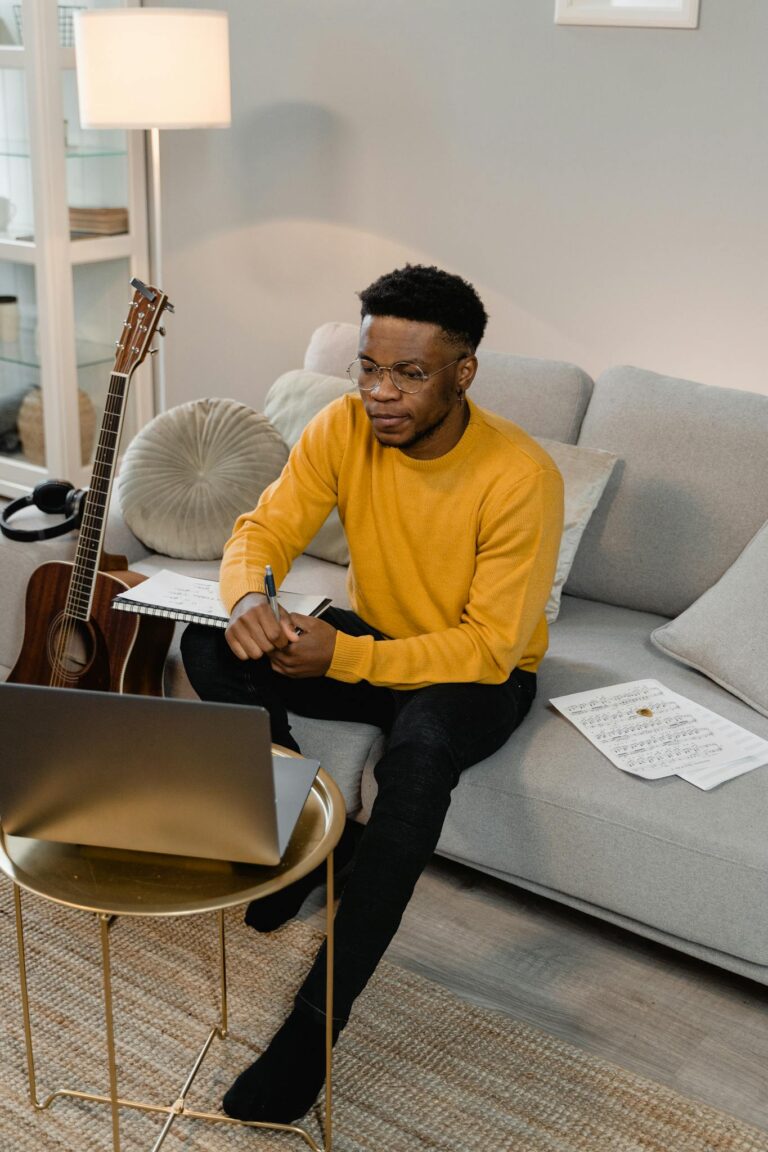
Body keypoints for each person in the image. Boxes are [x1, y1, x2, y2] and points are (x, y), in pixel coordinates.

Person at [181, 263, 564, 1124]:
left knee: (421, 755)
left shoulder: (521, 475)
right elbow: (262, 529)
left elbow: (489, 644)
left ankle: (311, 1032)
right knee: (206, 643)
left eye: (409, 374)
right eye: (367, 367)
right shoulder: (341, 426)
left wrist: (343, 661)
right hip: (381, 640)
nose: (380, 393)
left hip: (477, 675)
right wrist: (249, 601)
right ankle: (290, 845)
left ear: (463, 372)